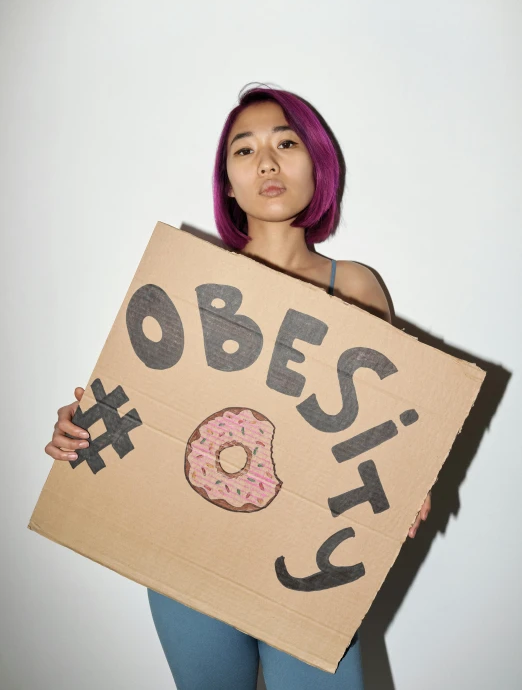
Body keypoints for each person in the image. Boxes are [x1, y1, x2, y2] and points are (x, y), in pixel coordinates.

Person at [44, 84, 431, 690]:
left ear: (318, 163)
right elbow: (152, 405)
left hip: (310, 565)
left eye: (286, 142)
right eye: (244, 151)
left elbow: (385, 429)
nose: (268, 163)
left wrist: (408, 485)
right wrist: (83, 430)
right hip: (189, 558)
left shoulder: (355, 285)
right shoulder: (188, 279)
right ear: (227, 181)